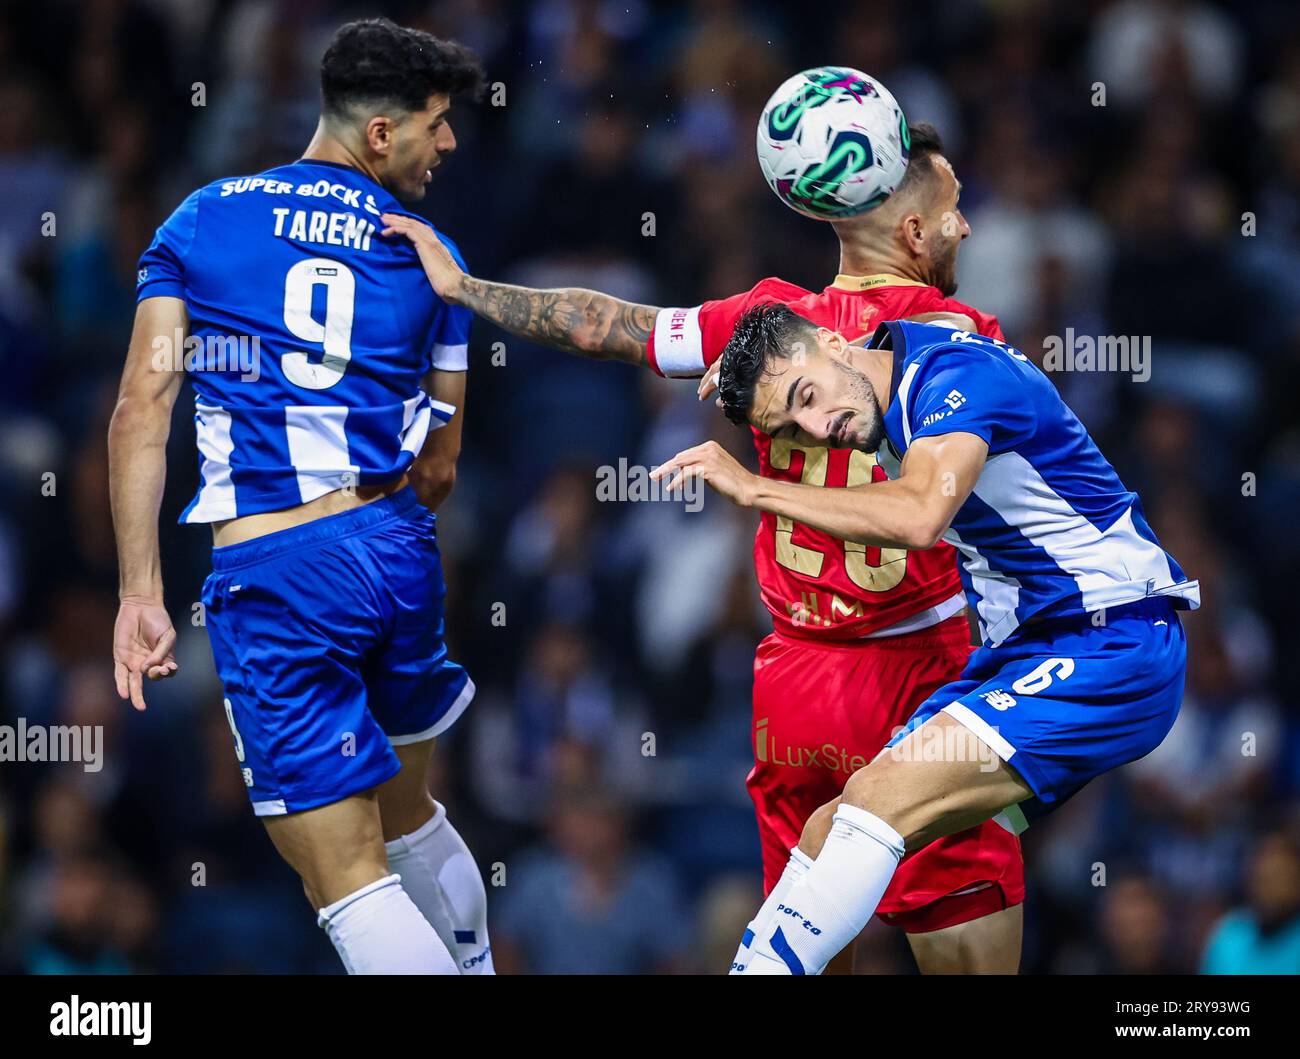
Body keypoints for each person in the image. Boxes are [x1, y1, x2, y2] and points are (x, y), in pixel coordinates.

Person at [381, 117, 1025, 973]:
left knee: (796, 954)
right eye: (951, 207)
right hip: (917, 678)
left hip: (795, 687)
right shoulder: (959, 339)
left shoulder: (765, 325)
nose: (965, 224)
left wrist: (464, 288)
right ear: (909, 227)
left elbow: (597, 324)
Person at [650, 307, 1200, 974]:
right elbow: (868, 315)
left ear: (832, 343)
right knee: (830, 830)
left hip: (1113, 640)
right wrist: (746, 357)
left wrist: (754, 486)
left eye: (806, 396)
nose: (819, 428)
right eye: (791, 425)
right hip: (1026, 657)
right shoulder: (881, 368)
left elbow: (918, 514)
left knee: (874, 807)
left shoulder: (953, 380)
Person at [108, 17, 491, 975]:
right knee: (409, 823)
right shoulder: (430, 251)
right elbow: (442, 465)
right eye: (435, 125)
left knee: (347, 880)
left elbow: (140, 409)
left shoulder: (201, 219)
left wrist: (141, 594)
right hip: (397, 547)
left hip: (276, 570)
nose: (448, 145)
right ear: (378, 135)